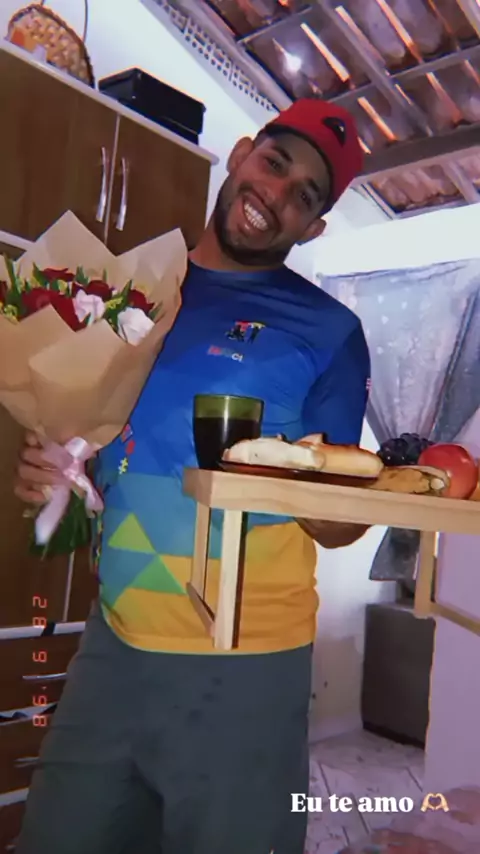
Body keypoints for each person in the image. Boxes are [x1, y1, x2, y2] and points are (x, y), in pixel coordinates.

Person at [14, 98, 371, 854]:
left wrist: (312, 494)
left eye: (305, 195)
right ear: (241, 155)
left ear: (313, 228)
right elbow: (104, 448)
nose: (275, 193)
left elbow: (344, 521)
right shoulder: (128, 293)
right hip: (113, 644)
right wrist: (60, 473)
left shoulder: (331, 331)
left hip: (244, 667)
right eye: (274, 163)